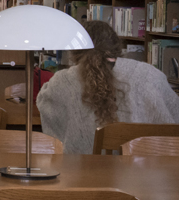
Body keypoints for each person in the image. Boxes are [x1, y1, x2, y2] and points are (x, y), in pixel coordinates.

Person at [36, 20, 179, 154]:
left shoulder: (61, 82)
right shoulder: (150, 75)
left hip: (83, 173)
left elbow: (51, 129)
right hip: (150, 173)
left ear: (74, 50)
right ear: (117, 45)